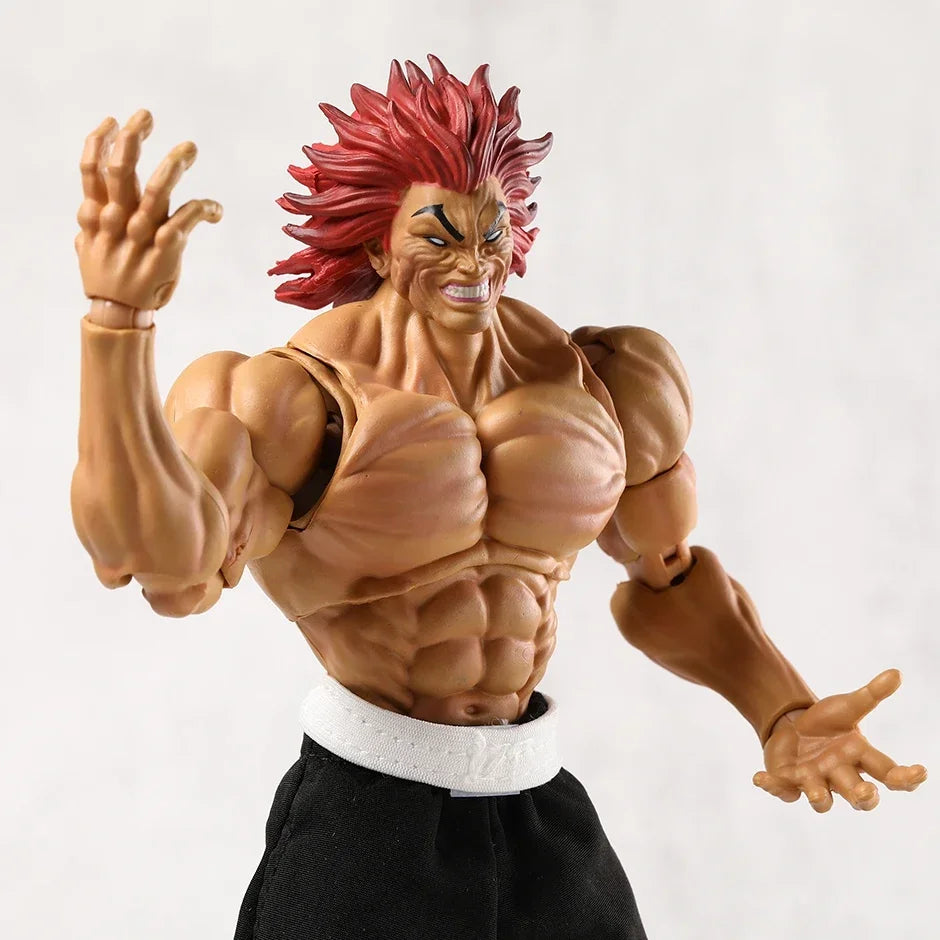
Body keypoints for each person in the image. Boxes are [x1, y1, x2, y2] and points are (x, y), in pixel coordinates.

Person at [72, 57, 926, 940]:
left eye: (492, 232)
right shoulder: (291, 401)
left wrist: (780, 709)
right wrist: (116, 328)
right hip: (366, 818)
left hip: (537, 806)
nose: (476, 262)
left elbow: (668, 576)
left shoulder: (606, 380)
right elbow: (166, 563)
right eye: (439, 237)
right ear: (377, 247)